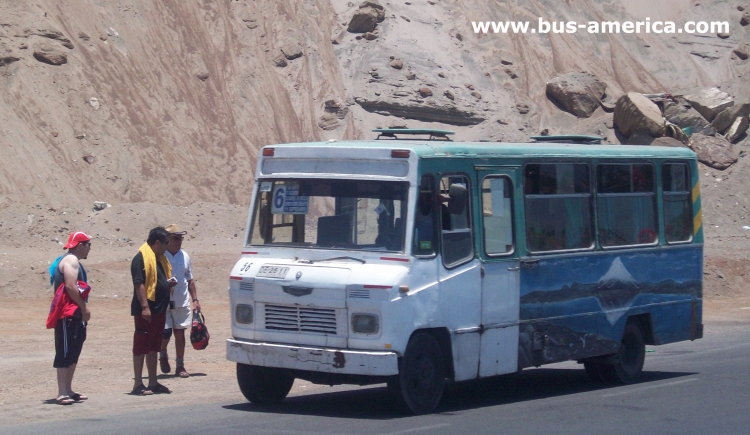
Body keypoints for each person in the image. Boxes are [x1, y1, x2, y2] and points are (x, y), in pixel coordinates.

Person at [130, 227, 177, 395]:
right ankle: (137, 383)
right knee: (141, 345)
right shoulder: (141, 258)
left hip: (159, 310)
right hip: (146, 311)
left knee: (153, 347)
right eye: (165, 243)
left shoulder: (160, 259)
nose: (167, 246)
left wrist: (168, 284)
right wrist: (144, 307)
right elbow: (139, 283)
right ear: (157, 242)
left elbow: (158, 281)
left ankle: (153, 382)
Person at [52, 231, 92, 405]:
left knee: (74, 349)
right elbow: (70, 285)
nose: (90, 249)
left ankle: (68, 389)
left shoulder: (75, 262)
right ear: (80, 245)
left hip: (74, 314)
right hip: (67, 314)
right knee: (65, 350)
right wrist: (84, 307)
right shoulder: (71, 260)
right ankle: (62, 392)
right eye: (88, 245)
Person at [159, 224, 201, 378]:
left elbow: (190, 280)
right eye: (175, 238)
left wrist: (195, 299)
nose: (179, 241)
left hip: (181, 301)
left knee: (180, 334)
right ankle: (162, 353)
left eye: (180, 238)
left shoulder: (185, 256)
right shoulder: (160, 256)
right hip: (163, 302)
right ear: (167, 239)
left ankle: (180, 365)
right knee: (165, 333)